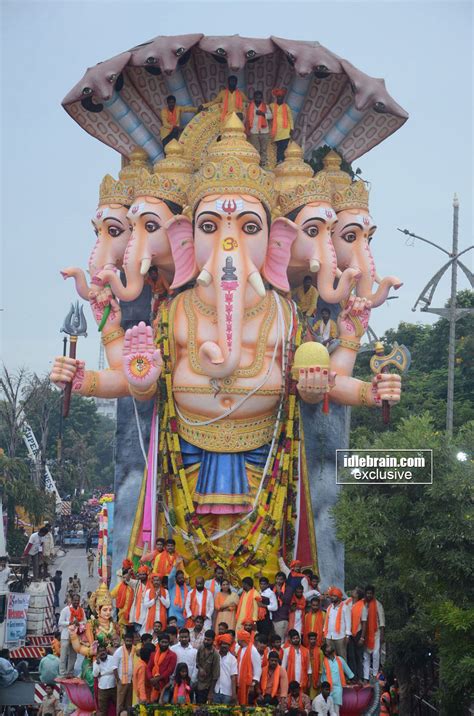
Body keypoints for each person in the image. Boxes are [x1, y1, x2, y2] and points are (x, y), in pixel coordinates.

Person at [360, 585, 385, 681]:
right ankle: (366, 677)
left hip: (376, 633)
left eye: (370, 593)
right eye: (367, 593)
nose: (369, 595)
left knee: (375, 654)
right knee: (365, 656)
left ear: (373, 594)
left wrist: (382, 634)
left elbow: (382, 621)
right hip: (364, 634)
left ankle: (374, 675)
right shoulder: (362, 604)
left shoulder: (378, 604)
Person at [321, 644, 354, 716]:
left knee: (336, 711)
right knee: (325, 711)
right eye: (328, 647)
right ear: (326, 652)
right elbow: (322, 676)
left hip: (338, 689)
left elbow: (349, 673)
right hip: (327, 690)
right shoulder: (324, 662)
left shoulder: (340, 659)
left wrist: (353, 682)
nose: (330, 647)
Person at [58, 593, 86, 677]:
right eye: (75, 600)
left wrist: (79, 623)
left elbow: (85, 621)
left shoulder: (82, 610)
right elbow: (60, 622)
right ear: (71, 600)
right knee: (63, 656)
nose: (76, 602)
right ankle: (62, 673)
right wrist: (70, 623)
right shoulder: (65, 610)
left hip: (76, 637)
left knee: (73, 656)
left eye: (78, 600)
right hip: (66, 636)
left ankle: (70, 672)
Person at [246, 90, 273, 167]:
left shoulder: (266, 106)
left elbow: (271, 116)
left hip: (264, 131)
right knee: (256, 149)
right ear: (254, 98)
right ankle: (256, 165)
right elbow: (247, 118)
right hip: (254, 131)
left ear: (262, 98)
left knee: (263, 150)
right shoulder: (250, 106)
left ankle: (263, 165)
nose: (258, 99)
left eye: (260, 97)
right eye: (256, 97)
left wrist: (262, 114)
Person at [323, 586, 351, 660]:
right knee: (330, 656)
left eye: (334, 596)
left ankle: (342, 671)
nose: (332, 597)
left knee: (342, 657)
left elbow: (348, 622)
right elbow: (326, 621)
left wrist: (347, 636)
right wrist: (324, 633)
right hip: (329, 636)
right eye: (331, 595)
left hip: (340, 637)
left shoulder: (345, 607)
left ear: (339, 597)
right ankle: (332, 671)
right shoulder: (329, 607)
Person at [149, 632, 177, 703]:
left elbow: (170, 670)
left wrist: (157, 679)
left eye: (166, 642)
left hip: (166, 684)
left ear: (168, 643)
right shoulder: (153, 654)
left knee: (163, 706)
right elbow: (149, 668)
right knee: (152, 705)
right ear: (158, 642)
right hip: (153, 685)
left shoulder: (172, 655)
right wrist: (151, 679)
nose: (164, 644)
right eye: (162, 642)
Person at [236, 629, 262, 706]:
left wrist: (253, 684)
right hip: (240, 683)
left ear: (241, 640)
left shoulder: (253, 650)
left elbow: (258, 669)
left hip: (249, 685)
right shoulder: (240, 649)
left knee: (247, 705)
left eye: (238, 639)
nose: (237, 640)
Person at [112, 628, 134, 713]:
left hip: (131, 681)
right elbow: (114, 667)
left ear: (132, 641)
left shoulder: (134, 650)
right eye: (127, 641)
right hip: (122, 681)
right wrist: (118, 680)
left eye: (130, 641)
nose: (128, 642)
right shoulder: (119, 651)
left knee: (129, 703)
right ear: (124, 640)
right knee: (120, 703)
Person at [212, 633, 238, 705]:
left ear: (229, 646)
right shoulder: (214, 655)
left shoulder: (233, 659)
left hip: (227, 692)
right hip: (215, 690)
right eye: (223, 643)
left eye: (227, 644)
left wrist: (234, 694)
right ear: (220, 644)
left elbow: (233, 677)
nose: (225, 646)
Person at [195, 629, 220, 704]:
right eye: (205, 639)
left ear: (213, 640)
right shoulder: (201, 648)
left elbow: (215, 676)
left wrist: (210, 693)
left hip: (207, 686)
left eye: (208, 640)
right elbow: (197, 662)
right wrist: (200, 668)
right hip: (198, 683)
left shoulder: (215, 655)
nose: (206, 641)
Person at [345, 587, 365, 682]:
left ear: (358, 595)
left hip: (358, 632)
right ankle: (353, 677)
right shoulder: (348, 602)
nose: (352, 591)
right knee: (350, 655)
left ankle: (360, 677)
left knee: (358, 656)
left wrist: (362, 637)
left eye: (355, 591)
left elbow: (364, 623)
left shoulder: (362, 606)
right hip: (349, 632)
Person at [270, 88, 294, 163]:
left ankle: (281, 160)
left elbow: (290, 118)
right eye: (278, 97)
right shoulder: (272, 106)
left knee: (284, 146)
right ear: (276, 97)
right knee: (279, 146)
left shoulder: (286, 107)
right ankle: (279, 160)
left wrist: (292, 128)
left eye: (281, 97)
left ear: (283, 98)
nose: (280, 98)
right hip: (276, 130)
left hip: (286, 130)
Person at [93, 644, 117, 716]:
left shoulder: (112, 658)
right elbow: (95, 674)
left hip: (114, 687)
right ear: (98, 653)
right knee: (103, 711)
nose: (102, 652)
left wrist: (103, 673)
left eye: (103, 650)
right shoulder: (96, 662)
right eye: (100, 651)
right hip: (102, 689)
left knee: (119, 707)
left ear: (106, 651)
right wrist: (97, 663)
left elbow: (115, 670)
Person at [110, 562, 134, 626]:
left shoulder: (134, 586)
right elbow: (111, 595)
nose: (125, 579)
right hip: (122, 616)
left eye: (127, 577)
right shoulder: (119, 586)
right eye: (123, 578)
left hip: (133, 616)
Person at [272, 571, 292, 640]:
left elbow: (286, 600)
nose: (278, 581)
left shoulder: (288, 588)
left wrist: (279, 592)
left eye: (281, 579)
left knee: (280, 641)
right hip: (273, 618)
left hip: (282, 619)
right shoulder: (273, 587)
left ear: (284, 580)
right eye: (277, 579)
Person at [130, 565, 150, 632]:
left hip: (147, 611)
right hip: (137, 613)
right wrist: (129, 573)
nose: (142, 576)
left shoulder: (151, 584)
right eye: (140, 574)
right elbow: (126, 580)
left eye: (143, 574)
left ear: (147, 574)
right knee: (138, 632)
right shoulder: (136, 583)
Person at [307, 631, 322, 699]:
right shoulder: (305, 650)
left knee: (314, 698)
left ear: (316, 640)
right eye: (311, 639)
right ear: (308, 640)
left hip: (316, 678)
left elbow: (321, 667)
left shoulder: (320, 651)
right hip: (306, 678)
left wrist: (319, 680)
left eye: (314, 639)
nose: (312, 641)